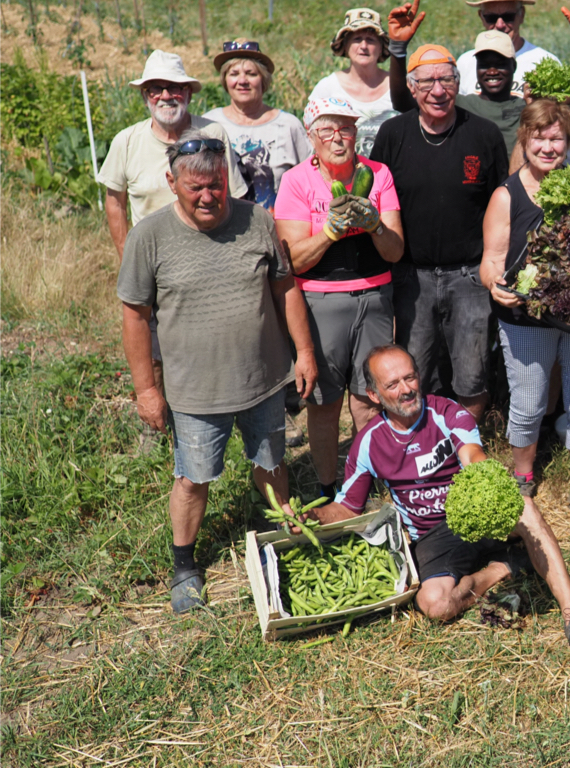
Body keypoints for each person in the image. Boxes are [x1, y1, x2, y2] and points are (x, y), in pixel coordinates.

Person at [116, 127, 318, 614]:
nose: (208, 197)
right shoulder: (150, 237)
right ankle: (184, 564)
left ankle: (277, 538)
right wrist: (147, 389)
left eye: (216, 185)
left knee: (270, 462)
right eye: (195, 188)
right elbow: (134, 316)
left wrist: (304, 353)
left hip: (263, 378)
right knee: (193, 478)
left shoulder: (258, 221)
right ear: (172, 181)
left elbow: (285, 288)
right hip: (194, 389)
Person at [304, 345, 570, 667]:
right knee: (436, 605)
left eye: (410, 378)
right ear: (374, 395)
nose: (406, 389)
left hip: (476, 513)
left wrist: (480, 473)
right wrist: (312, 516)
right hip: (432, 535)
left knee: (526, 508)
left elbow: (472, 452)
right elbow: (348, 507)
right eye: (393, 384)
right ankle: (504, 566)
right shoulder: (368, 443)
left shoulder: (446, 412)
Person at [98, 50, 248, 450]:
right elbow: (115, 200)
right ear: (145, 95)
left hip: (211, 253)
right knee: (152, 341)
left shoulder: (212, 134)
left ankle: (232, 416)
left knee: (221, 335)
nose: (165, 95)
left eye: (173, 87)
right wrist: (128, 254)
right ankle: (156, 423)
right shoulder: (127, 141)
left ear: (188, 92)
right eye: (155, 88)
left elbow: (232, 195)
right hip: (155, 259)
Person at [480, 101, 570, 530]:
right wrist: (496, 285)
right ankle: (522, 479)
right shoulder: (506, 195)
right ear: (525, 140)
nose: (548, 147)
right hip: (525, 320)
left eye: (556, 138)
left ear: (568, 143)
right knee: (529, 403)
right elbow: (491, 260)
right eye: (540, 138)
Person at [274, 98, 405, 502]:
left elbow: (396, 251)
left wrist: (373, 226)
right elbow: (292, 258)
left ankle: (365, 483)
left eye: (346, 128)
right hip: (320, 302)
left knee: (368, 400)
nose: (338, 137)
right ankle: (329, 488)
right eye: (328, 130)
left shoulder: (377, 174)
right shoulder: (297, 181)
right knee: (324, 404)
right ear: (311, 137)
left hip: (375, 296)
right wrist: (330, 232)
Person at [369, 45, 508, 424]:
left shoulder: (483, 133)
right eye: (427, 81)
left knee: (472, 372)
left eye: (446, 79)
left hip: (470, 275)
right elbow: (376, 198)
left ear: (458, 84)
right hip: (411, 277)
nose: (437, 90)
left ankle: (467, 451)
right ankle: (420, 446)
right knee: (414, 372)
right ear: (411, 89)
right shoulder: (393, 134)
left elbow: (502, 203)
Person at [386, 3, 527, 156]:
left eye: (500, 65)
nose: (492, 71)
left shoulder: (527, 107)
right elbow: (401, 102)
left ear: (513, 66)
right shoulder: (460, 105)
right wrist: (398, 49)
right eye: (485, 65)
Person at [203, 39, 310, 213]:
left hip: (279, 229)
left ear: (263, 79)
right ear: (225, 79)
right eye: (234, 73)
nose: (242, 80)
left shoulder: (288, 125)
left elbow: (311, 179)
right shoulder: (210, 125)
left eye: (251, 74)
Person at [456, 0, 559, 94]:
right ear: (481, 18)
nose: (500, 25)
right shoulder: (465, 63)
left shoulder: (544, 62)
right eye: (491, 18)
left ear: (522, 15)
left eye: (508, 16)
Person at [308, 8, 393, 120]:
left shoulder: (397, 85)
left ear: (381, 48)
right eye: (357, 39)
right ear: (346, 46)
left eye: (370, 40)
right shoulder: (327, 89)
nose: (363, 46)